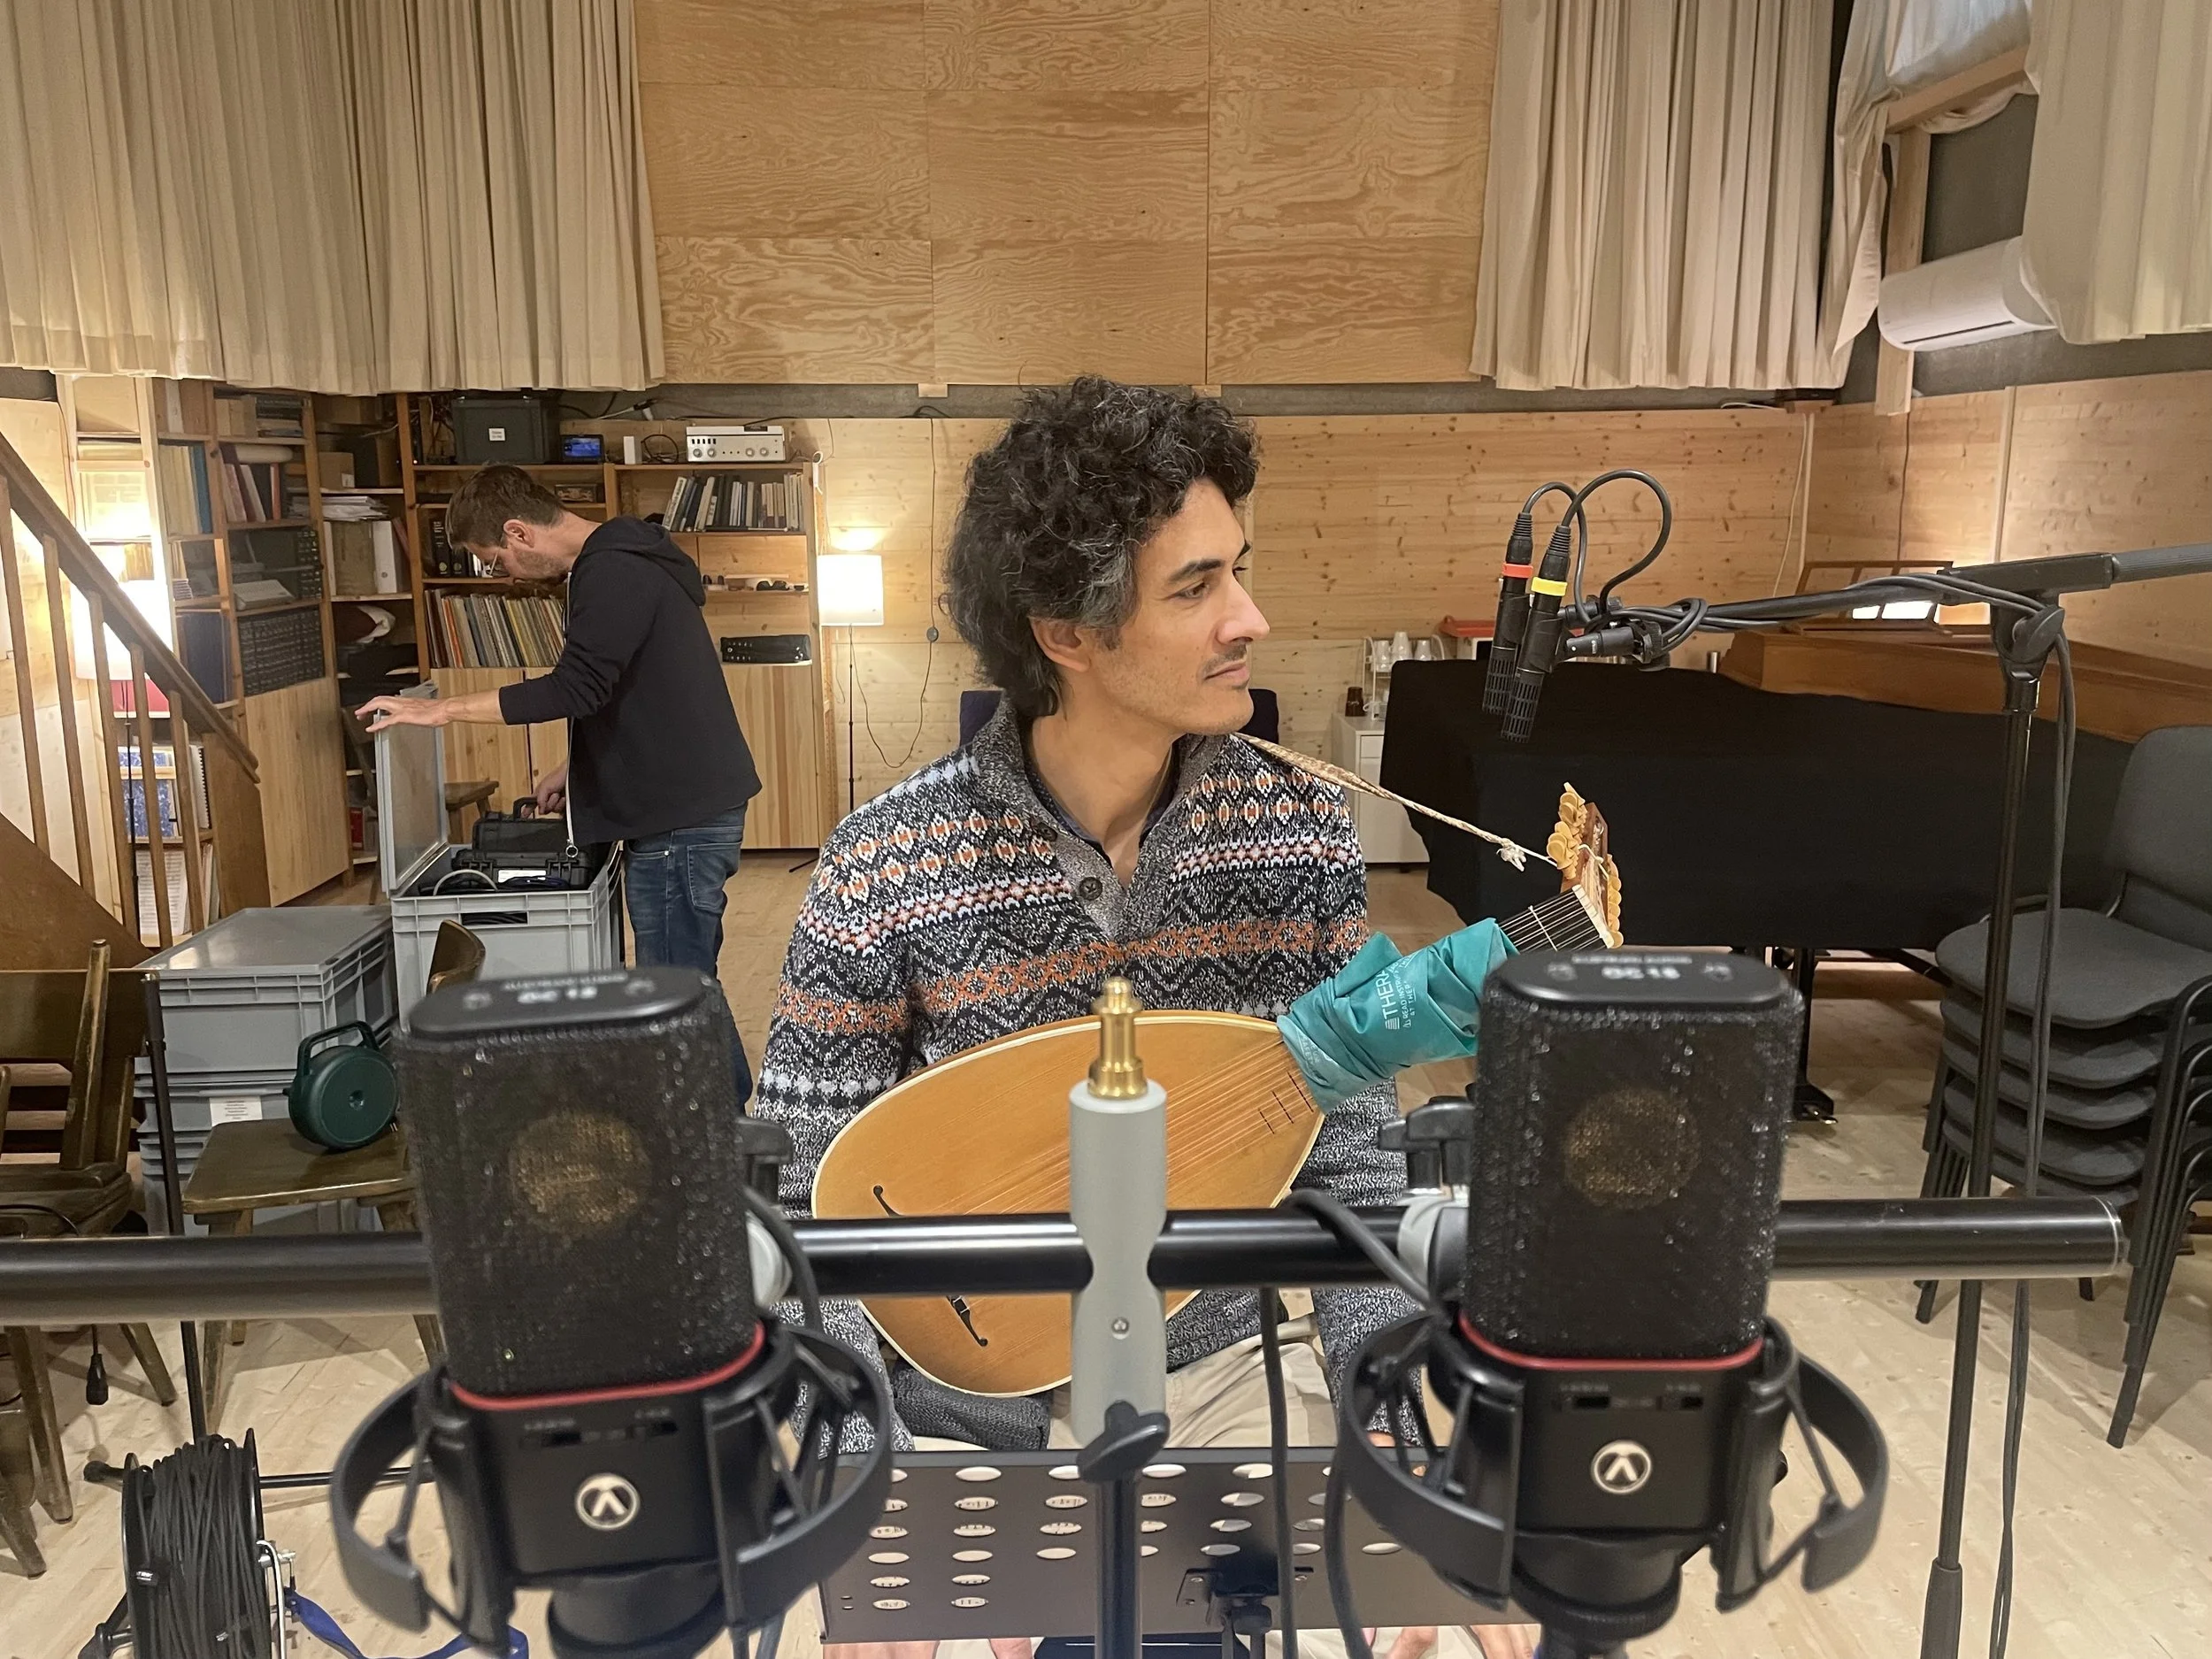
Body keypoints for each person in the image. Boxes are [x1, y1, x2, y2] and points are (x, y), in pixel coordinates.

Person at [755, 380, 1535, 1659]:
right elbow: (798, 1206)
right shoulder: (885, 861)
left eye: (1241, 570)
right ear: (1066, 631)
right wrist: (858, 1479)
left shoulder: (1297, 832)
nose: (1251, 619)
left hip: (1218, 1368)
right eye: (1195, 587)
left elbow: (1348, 1173)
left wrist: (1401, 1443)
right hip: (951, 1403)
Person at [357, 464, 761, 1098]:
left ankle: (726, 1132)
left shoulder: (614, 571)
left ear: (518, 532)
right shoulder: (620, 561)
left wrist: (443, 710)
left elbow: (576, 687)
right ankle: (722, 1124)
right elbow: (639, 690)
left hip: (679, 819)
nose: (505, 576)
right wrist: (578, 767)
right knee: (682, 986)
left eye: (497, 560)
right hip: (680, 807)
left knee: (678, 991)